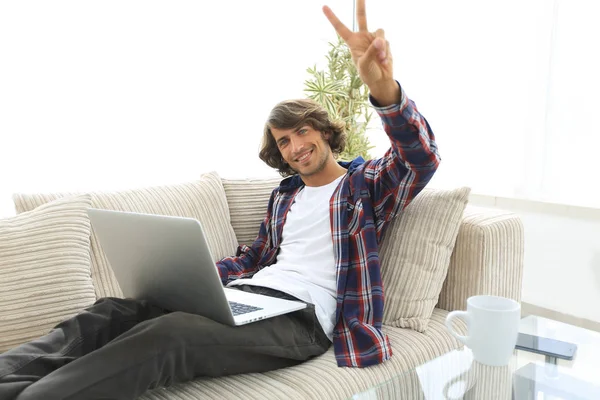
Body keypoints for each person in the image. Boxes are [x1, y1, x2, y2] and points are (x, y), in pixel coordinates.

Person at [0, 1, 440, 399]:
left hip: (302, 321)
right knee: (114, 310)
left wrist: (385, 91)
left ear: (324, 131)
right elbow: (254, 257)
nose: (295, 146)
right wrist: (191, 281)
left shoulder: (365, 187)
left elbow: (420, 158)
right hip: (247, 296)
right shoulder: (285, 197)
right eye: (284, 141)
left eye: (302, 131)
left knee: (172, 334)